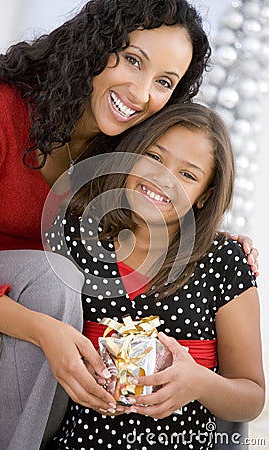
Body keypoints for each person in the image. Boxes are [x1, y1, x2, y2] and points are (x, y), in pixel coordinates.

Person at [0, 0, 258, 448]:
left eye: (164, 82)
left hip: (71, 279)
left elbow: (174, 185)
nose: (141, 93)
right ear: (95, 45)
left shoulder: (126, 142)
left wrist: (213, 241)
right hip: (2, 272)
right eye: (132, 59)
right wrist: (44, 330)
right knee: (53, 283)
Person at [45, 102, 265, 450]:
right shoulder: (78, 234)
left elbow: (252, 397)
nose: (163, 179)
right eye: (155, 157)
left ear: (205, 196)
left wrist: (199, 383)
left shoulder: (225, 263)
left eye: (188, 175)